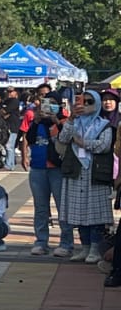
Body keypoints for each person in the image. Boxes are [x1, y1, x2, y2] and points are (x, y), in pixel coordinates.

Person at [57, 89, 114, 264]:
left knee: (95, 214)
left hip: (95, 172)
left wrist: (84, 143)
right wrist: (72, 118)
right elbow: (63, 138)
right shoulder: (75, 122)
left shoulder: (104, 124)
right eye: (83, 101)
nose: (86, 105)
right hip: (76, 171)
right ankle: (85, 247)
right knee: (79, 213)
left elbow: (104, 145)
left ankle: (96, 249)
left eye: (90, 102)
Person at [23, 92, 72, 256]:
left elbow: (67, 138)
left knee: (62, 207)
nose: (49, 105)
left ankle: (66, 243)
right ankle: (41, 241)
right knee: (41, 207)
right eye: (46, 102)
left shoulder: (64, 121)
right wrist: (36, 121)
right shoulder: (37, 122)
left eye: (53, 102)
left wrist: (56, 122)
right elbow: (29, 138)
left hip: (57, 169)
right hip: (38, 168)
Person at [1, 88, 24, 171]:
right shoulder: (6, 101)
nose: (9, 93)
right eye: (7, 91)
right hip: (6, 127)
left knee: (9, 146)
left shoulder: (14, 101)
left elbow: (3, 111)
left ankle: (8, 165)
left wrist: (3, 112)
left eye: (11, 91)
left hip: (13, 127)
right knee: (8, 146)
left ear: (15, 93)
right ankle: (11, 164)